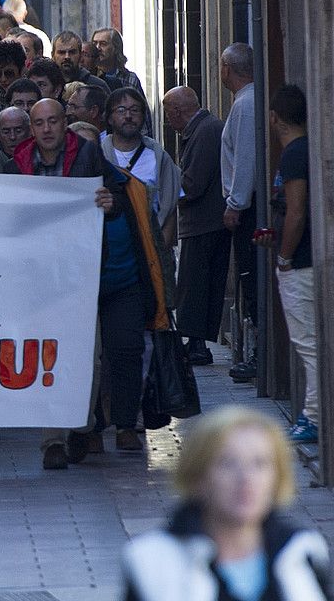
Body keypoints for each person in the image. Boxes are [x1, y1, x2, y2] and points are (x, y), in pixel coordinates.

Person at [8, 100, 173, 467]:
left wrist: (108, 202)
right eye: (39, 123)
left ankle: (84, 426)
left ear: (64, 123)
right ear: (31, 128)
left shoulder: (88, 156)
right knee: (48, 356)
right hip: (44, 279)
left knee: (93, 360)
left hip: (90, 274)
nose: (47, 129)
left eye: (53, 121)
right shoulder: (16, 164)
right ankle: (52, 442)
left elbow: (119, 201)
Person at [121, 406, 331, 601]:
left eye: (260, 464)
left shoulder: (301, 551)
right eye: (228, 463)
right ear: (198, 476)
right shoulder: (151, 560)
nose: (246, 478)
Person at [262, 85, 317, 443]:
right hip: (301, 257)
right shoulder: (303, 150)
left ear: (274, 118)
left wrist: (284, 257)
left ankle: (313, 415)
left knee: (307, 342)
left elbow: (297, 211)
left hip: (300, 264)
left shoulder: (295, 154)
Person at [163, 85, 229, 367]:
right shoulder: (204, 129)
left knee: (196, 285)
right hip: (203, 222)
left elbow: (192, 184)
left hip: (203, 222)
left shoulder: (205, 131)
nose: (168, 121)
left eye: (168, 114)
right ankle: (196, 343)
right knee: (195, 286)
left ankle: (198, 345)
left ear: (178, 111)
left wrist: (165, 190)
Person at [220, 42, 259, 383]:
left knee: (251, 277)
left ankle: (258, 353)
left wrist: (235, 204)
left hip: (247, 209)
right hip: (244, 205)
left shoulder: (246, 104)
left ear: (229, 69)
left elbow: (245, 160)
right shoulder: (244, 102)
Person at [99, 87, 182, 239]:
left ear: (143, 116)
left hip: (150, 244)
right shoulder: (98, 156)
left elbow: (169, 208)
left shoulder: (159, 158)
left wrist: (162, 250)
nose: (128, 116)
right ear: (110, 118)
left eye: (135, 110)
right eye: (121, 110)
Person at [92, 28, 144, 94]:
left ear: (116, 48)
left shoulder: (130, 79)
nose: (97, 48)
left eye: (103, 44)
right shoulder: (89, 76)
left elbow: (140, 103)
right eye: (94, 43)